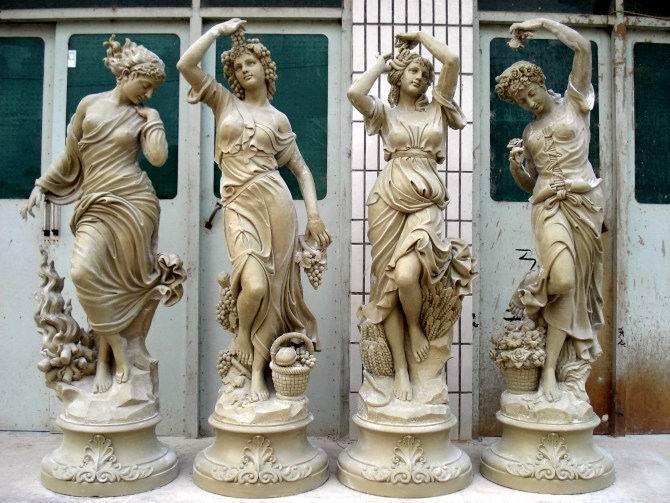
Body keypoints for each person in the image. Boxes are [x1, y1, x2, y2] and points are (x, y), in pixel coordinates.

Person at [177, 18, 331, 402]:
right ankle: (243, 336)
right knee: (255, 285)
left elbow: (302, 171)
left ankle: (260, 372)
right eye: (238, 66)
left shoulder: (279, 120)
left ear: (265, 68)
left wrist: (313, 216)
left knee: (274, 293)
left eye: (251, 63)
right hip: (239, 205)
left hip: (276, 205)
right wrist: (216, 32)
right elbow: (186, 65)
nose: (244, 69)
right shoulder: (223, 102)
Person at [20, 35, 184, 394]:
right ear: (127, 75)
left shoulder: (143, 115)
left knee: (123, 287)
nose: (148, 94)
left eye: (154, 89)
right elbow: (71, 156)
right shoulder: (89, 105)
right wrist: (41, 185)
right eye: (145, 85)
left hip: (135, 204)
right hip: (94, 204)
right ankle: (117, 352)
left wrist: (154, 119)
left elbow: (158, 158)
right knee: (84, 273)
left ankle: (107, 362)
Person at [348, 32, 470, 401]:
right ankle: (400, 370)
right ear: (398, 77)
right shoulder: (385, 113)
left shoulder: (438, 108)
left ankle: (416, 328)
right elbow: (355, 93)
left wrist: (419, 38)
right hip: (386, 200)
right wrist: (381, 64)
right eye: (413, 71)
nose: (420, 76)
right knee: (386, 287)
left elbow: (452, 61)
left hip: (426, 203)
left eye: (425, 73)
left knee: (405, 275)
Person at [496, 18, 604, 401]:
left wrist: (542, 23)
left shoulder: (575, 101)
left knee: (573, 289)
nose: (529, 103)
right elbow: (531, 184)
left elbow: (583, 48)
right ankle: (533, 290)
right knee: (562, 280)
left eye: (530, 94)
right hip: (547, 206)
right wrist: (517, 168)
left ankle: (550, 371)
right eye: (521, 102)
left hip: (584, 203)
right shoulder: (529, 133)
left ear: (540, 82)